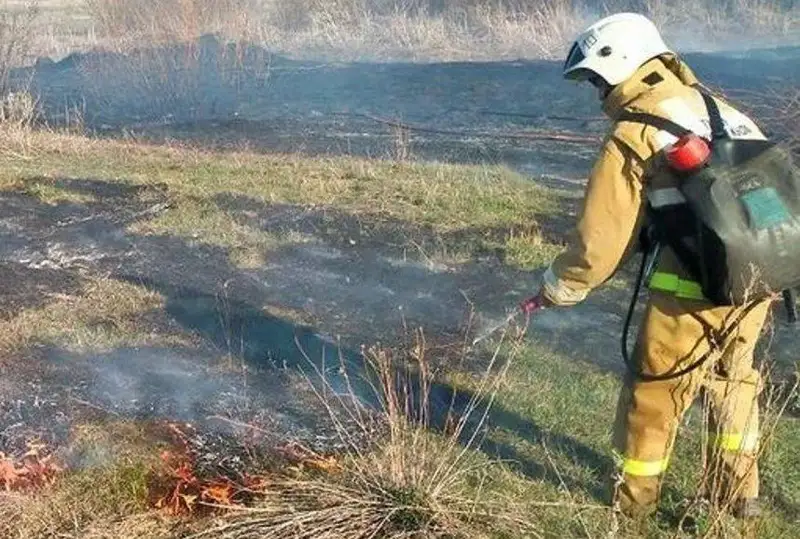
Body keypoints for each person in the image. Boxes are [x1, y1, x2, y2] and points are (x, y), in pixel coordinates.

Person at [533, 12, 772, 521]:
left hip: (694, 286)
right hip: (762, 277)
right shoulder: (720, 109)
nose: (596, 91)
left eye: (597, 79)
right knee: (732, 383)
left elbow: (598, 243)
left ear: (619, 65)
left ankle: (632, 508)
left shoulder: (636, 129)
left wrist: (558, 288)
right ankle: (738, 495)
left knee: (653, 392)